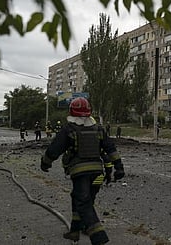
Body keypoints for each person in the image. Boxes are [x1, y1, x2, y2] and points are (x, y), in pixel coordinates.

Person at [41, 97, 124, 245]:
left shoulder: (69, 129)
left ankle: (98, 236)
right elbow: (110, 149)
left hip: (80, 173)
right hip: (98, 173)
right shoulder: (98, 128)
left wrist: (45, 163)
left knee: (83, 202)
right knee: (79, 198)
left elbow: (54, 150)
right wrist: (119, 168)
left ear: (71, 111)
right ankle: (75, 230)